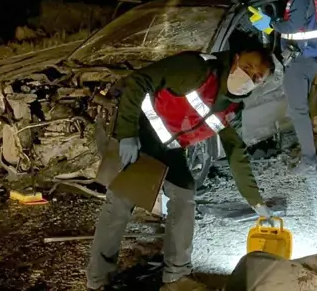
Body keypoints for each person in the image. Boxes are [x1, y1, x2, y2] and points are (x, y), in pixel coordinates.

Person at [86, 44, 274, 291]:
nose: (248, 77)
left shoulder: (232, 108)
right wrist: (127, 133)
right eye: (247, 67)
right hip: (139, 131)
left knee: (184, 193)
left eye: (257, 77)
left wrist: (255, 201)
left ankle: (176, 277)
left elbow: (236, 152)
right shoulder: (196, 69)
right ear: (236, 58)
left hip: (169, 147)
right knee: (120, 200)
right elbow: (140, 80)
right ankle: (98, 281)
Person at [250, 0, 317, 174]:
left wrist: (270, 23)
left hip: (300, 60)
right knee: (301, 110)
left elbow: (293, 27)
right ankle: (309, 155)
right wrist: (270, 27)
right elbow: (300, 25)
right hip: (309, 57)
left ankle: (309, 160)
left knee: (298, 111)